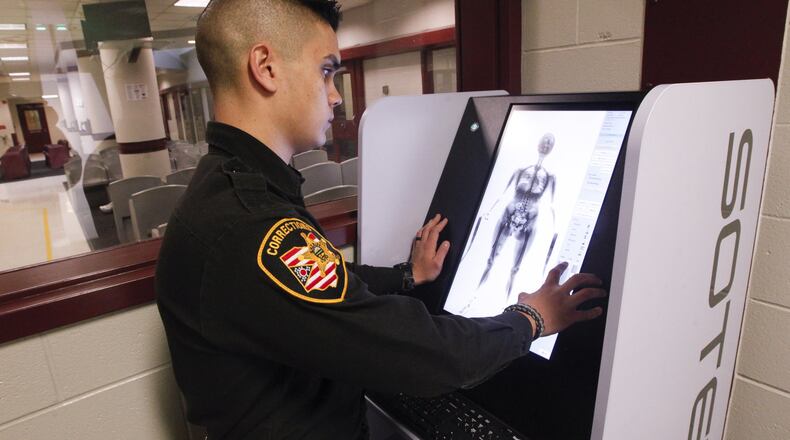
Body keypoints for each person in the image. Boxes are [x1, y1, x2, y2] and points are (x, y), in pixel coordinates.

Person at [155, 1, 606, 439]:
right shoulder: (252, 225)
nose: (335, 96)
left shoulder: (227, 189)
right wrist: (530, 319)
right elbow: (423, 356)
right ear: (266, 67)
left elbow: (314, 283)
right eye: (326, 71)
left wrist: (408, 275)